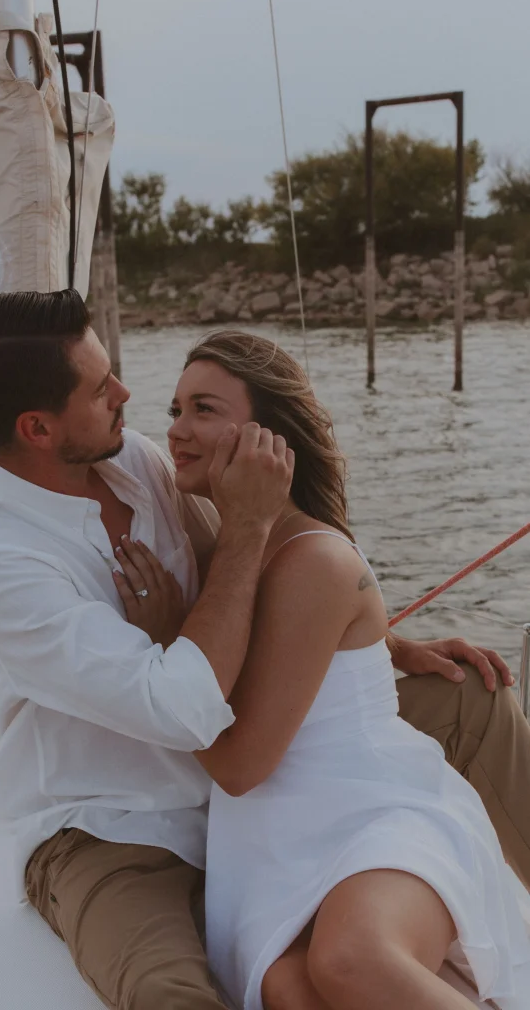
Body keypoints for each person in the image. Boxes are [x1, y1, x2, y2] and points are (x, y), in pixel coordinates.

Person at [0, 290, 530, 1010]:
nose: (128, 395)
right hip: (119, 825)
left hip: (254, 770)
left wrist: (372, 634)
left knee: (470, 693)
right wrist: (247, 528)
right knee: (174, 996)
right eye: (101, 389)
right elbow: (191, 710)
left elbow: (268, 590)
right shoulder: (0, 563)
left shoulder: (134, 461)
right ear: (37, 427)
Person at [154, 329, 529, 1010]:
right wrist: (385, 642)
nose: (177, 431)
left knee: (351, 961)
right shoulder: (221, 543)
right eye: (175, 411)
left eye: (204, 410)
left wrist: (159, 644)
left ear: (269, 441)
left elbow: (239, 767)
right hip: (271, 837)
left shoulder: (310, 559)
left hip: (369, 810)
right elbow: (285, 648)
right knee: (291, 988)